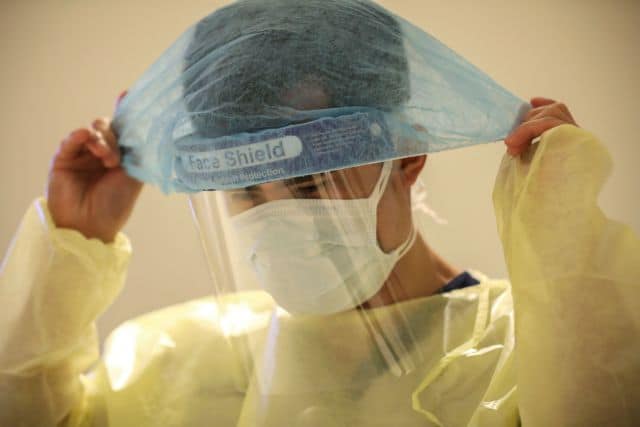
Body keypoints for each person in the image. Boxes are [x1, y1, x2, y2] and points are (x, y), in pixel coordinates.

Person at [1, 1, 639, 426]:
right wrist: (74, 243)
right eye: (245, 191)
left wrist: (567, 252)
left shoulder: (525, 350)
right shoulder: (181, 359)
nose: (276, 218)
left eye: (309, 183)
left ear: (407, 154)